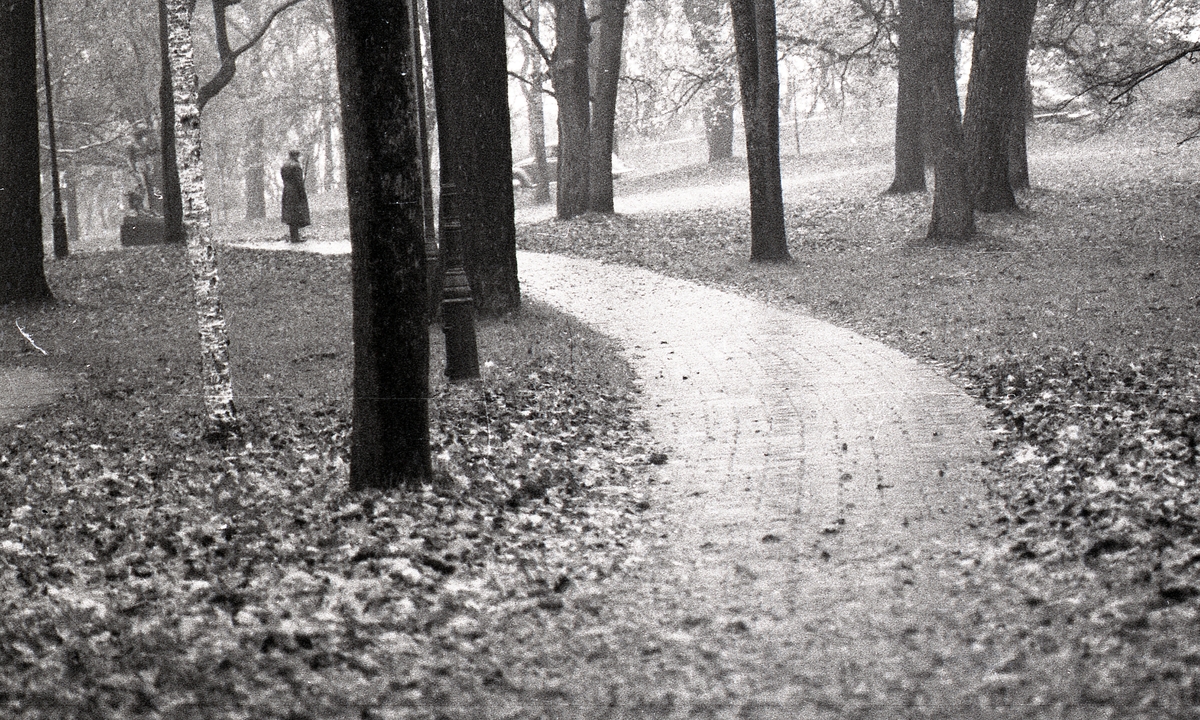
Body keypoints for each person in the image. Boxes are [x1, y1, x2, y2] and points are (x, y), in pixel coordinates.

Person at [280, 150, 311, 243]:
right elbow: (299, 181)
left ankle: (294, 236)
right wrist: (302, 192)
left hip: (287, 192)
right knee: (297, 214)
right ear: (296, 156)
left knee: (290, 215)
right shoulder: (296, 166)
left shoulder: (284, 166)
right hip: (295, 193)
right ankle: (296, 237)